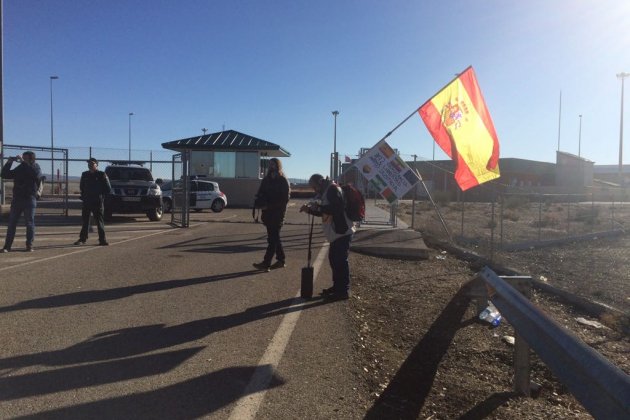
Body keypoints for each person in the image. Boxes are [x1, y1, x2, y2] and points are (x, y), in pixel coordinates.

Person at [300, 174, 355, 300]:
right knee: (334, 261)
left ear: (319, 183)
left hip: (342, 231)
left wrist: (318, 206)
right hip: (336, 233)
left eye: (314, 187)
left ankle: (343, 291)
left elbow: (337, 208)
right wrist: (310, 210)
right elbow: (326, 211)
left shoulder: (332, 190)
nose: (314, 190)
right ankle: (338, 287)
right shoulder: (328, 190)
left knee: (340, 262)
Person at [252, 158, 290, 272]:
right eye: (270, 164)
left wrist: (269, 206)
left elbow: (284, 200)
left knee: (273, 239)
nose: (271, 166)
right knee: (274, 237)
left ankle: (266, 262)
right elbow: (260, 192)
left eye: (274, 164)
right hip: (267, 213)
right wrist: (259, 200)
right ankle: (281, 260)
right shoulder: (266, 180)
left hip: (278, 213)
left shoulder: (283, 180)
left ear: (278, 166)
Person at [1, 151, 43, 252]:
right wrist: (9, 162)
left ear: (31, 158)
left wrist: (23, 163)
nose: (23, 159)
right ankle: (7, 246)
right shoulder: (20, 168)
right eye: (22, 158)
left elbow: (35, 176)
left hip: (29, 198)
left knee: (29, 223)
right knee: (11, 223)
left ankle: (29, 245)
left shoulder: (36, 167)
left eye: (25, 158)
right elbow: (5, 174)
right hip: (17, 199)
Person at [74, 158, 112, 246]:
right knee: (85, 221)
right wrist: (84, 196)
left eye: (92, 163)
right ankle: (82, 239)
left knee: (99, 221)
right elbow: (82, 187)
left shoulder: (102, 174)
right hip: (87, 201)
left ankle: (102, 240)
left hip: (97, 201)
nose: (90, 165)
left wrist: (101, 196)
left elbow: (108, 189)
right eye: (89, 163)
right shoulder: (85, 174)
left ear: (97, 165)